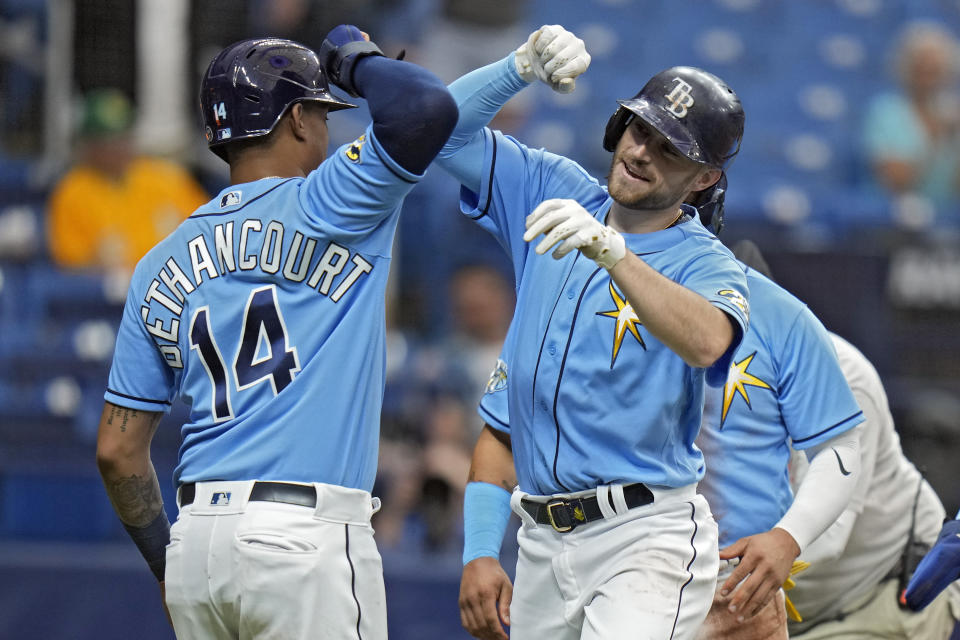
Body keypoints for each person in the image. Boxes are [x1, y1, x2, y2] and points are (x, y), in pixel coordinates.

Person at [94, 27, 457, 639]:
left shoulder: (159, 260)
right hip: (302, 538)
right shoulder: (335, 199)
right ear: (295, 120)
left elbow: (116, 450)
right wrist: (355, 58)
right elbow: (429, 106)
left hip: (197, 546)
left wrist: (166, 563)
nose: (326, 127)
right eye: (319, 110)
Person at [437, 25, 752, 640]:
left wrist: (614, 253)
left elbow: (710, 340)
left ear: (704, 179)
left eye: (670, 149)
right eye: (641, 130)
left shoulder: (706, 262)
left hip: (643, 536)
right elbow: (439, 133)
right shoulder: (554, 189)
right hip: (539, 541)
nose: (640, 152)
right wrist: (517, 67)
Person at [691, 239, 865, 639]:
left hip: (853, 586)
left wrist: (784, 543)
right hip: (646, 558)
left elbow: (836, 470)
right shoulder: (640, 314)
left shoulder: (831, 361)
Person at [781, 332, 960, 637]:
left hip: (879, 594)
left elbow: (829, 535)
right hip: (788, 613)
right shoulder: (690, 374)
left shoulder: (836, 371)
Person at [47, 88, 209, 274]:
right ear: (89, 145)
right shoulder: (71, 191)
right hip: (106, 299)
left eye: (123, 138)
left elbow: (210, 230)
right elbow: (71, 267)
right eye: (108, 141)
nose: (118, 148)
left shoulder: (165, 177)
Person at [862, 20, 960, 216]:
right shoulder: (885, 112)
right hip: (890, 220)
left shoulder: (952, 112)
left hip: (944, 219)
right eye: (921, 68)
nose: (928, 77)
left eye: (935, 70)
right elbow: (896, 182)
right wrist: (937, 137)